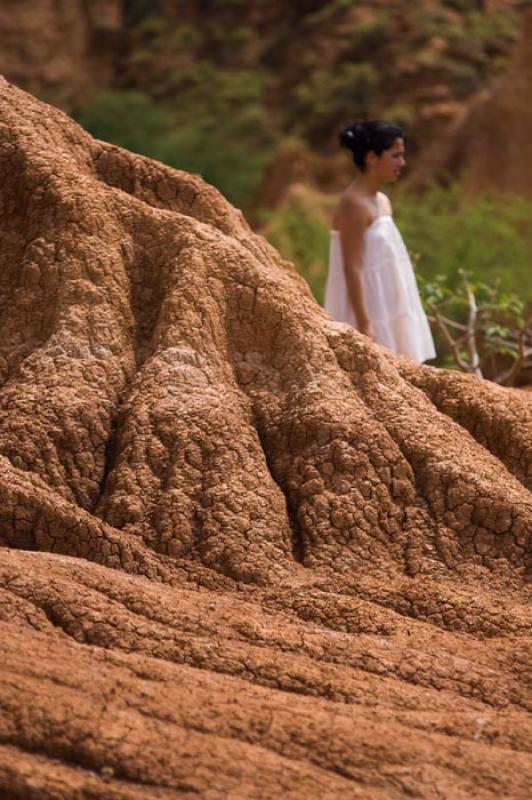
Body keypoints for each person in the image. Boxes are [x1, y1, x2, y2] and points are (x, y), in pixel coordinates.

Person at [324, 119, 436, 363]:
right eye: (395, 156)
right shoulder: (353, 205)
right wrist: (365, 323)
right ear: (372, 158)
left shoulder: (382, 201)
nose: (402, 163)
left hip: (389, 300)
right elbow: (351, 268)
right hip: (369, 307)